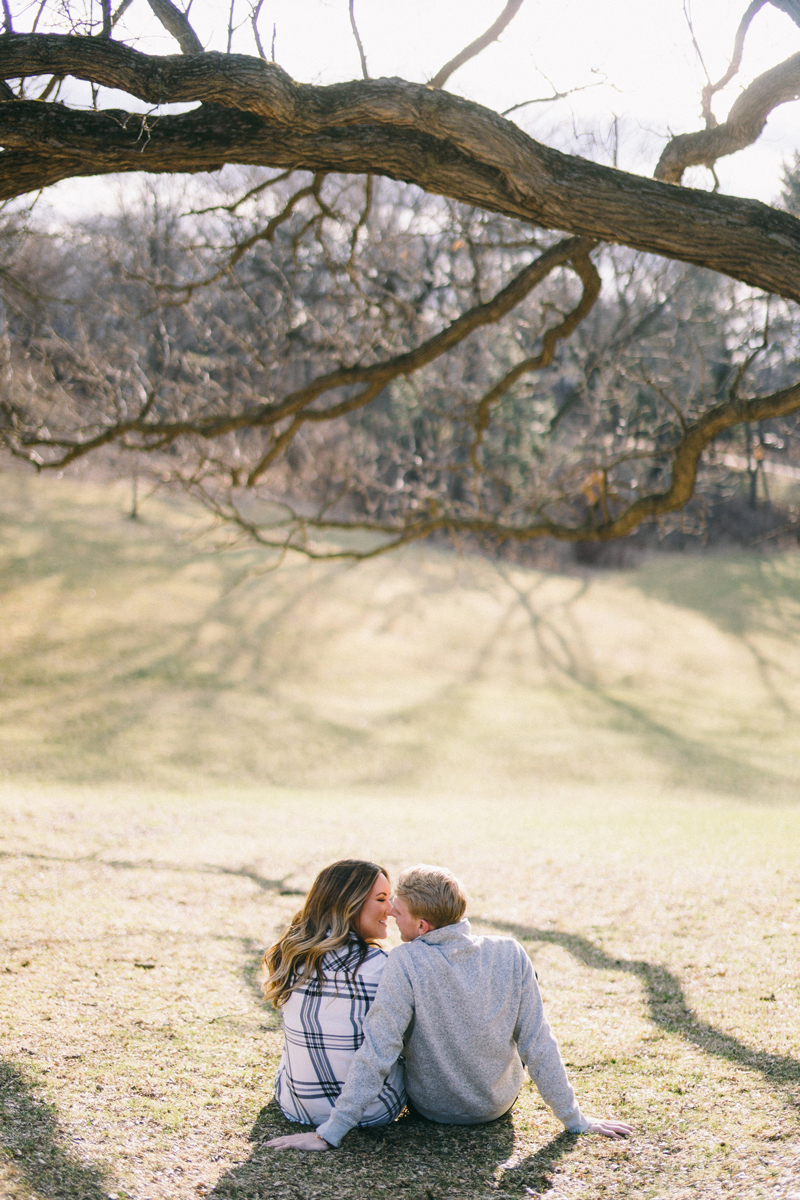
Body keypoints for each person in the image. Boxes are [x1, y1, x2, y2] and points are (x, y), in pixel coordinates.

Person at [267, 863, 632, 1151]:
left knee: (398, 1032)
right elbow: (538, 1043)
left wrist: (330, 1132)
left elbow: (379, 1051)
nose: (391, 915)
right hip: (496, 1104)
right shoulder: (511, 952)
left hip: (432, 1109)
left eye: (398, 910)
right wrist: (574, 1119)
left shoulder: (404, 962)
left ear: (422, 926)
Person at [261, 858, 406, 1130]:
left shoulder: (292, 956)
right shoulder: (383, 967)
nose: (391, 909)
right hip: (372, 1110)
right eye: (381, 899)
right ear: (349, 905)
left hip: (296, 1105)